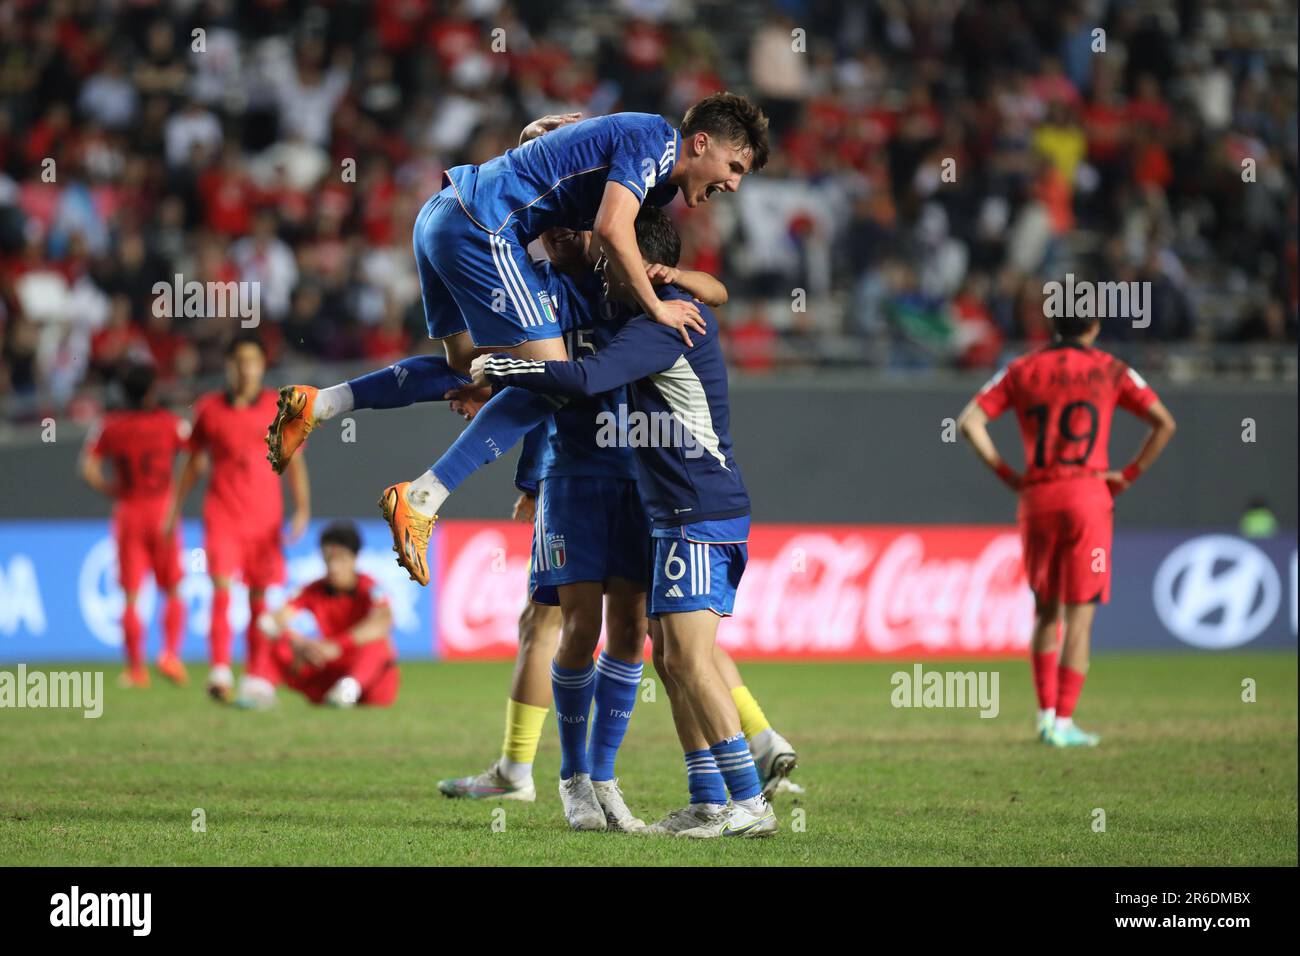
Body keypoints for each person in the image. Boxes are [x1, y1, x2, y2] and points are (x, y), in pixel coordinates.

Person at [263, 93, 770, 588]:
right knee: (552, 380)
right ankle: (422, 497)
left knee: (467, 369)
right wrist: (658, 305)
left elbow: (574, 162)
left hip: (442, 212)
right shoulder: (656, 142)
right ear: (700, 143)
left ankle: (320, 404)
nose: (732, 182)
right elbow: (613, 227)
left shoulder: (653, 180)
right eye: (735, 166)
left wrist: (532, 143)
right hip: (485, 228)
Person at [476, 207, 776, 838]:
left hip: (698, 509)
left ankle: (749, 799)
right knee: (668, 656)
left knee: (689, 660)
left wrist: (507, 368)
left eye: (613, 254)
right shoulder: (652, 308)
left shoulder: (664, 323)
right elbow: (714, 289)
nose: (604, 266)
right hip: (671, 512)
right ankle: (705, 794)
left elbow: (588, 376)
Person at [956, 312, 1176, 747]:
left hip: (1037, 498)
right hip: (1087, 497)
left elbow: (969, 421)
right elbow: (1164, 423)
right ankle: (1065, 720)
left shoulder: (1021, 368)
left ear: (1053, 324)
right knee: (1081, 615)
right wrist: (1127, 475)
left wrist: (1009, 475)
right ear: (1093, 326)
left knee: (1045, 610)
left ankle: (1043, 718)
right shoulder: (1111, 369)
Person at [165, 335, 311, 701]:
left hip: (265, 518)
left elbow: (293, 460)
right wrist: (174, 507)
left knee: (259, 601)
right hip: (222, 513)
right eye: (240, 361)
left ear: (263, 366)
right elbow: (194, 461)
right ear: (229, 366)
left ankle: (256, 674)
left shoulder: (280, 409)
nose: (246, 369)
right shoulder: (208, 409)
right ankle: (218, 671)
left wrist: (303, 508)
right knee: (221, 589)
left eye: (253, 361)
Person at [80, 362, 189, 687]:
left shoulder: (109, 426)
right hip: (164, 511)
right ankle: (169, 653)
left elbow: (88, 468)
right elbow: (197, 456)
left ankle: (135, 670)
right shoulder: (171, 423)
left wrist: (113, 490)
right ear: (153, 389)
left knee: (129, 594)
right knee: (172, 588)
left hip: (129, 512)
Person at [234, 520, 399, 709]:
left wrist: (338, 645)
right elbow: (272, 622)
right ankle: (260, 691)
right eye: (329, 559)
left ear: (354, 559)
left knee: (378, 642)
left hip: (369, 681)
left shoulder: (369, 587)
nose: (334, 567)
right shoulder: (313, 589)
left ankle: (348, 689)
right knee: (278, 641)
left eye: (341, 559)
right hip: (328, 671)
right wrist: (300, 643)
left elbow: (384, 621)